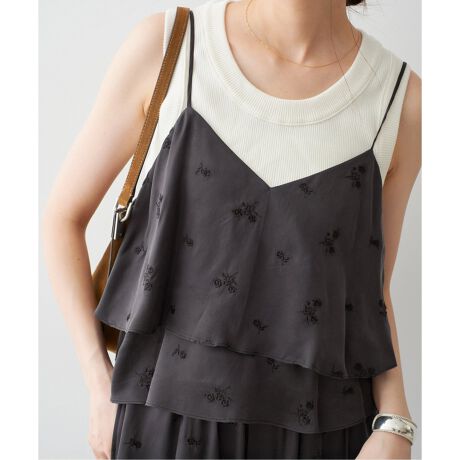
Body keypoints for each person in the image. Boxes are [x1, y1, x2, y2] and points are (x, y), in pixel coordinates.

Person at [42, 0, 421, 458]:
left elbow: (370, 290)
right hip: (163, 427)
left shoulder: (400, 99)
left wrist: (395, 421)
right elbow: (63, 218)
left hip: (324, 435)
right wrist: (97, 382)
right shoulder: (173, 46)